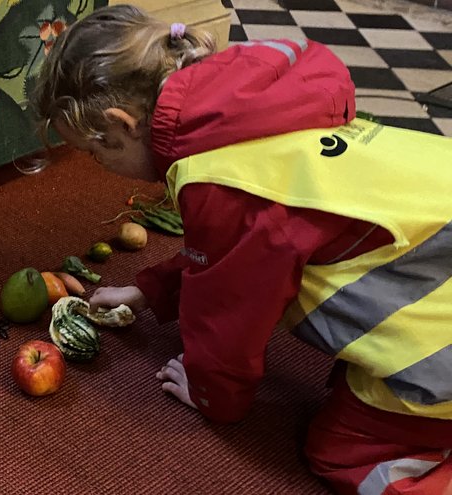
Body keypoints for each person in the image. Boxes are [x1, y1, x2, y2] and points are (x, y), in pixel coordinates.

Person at [30, 4, 452, 494]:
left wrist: (212, 396)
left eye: (95, 153)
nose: (100, 166)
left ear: (121, 124)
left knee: (341, 453)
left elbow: (230, 310)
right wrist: (149, 291)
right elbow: (241, 244)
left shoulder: (214, 180)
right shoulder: (253, 102)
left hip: (439, 340)